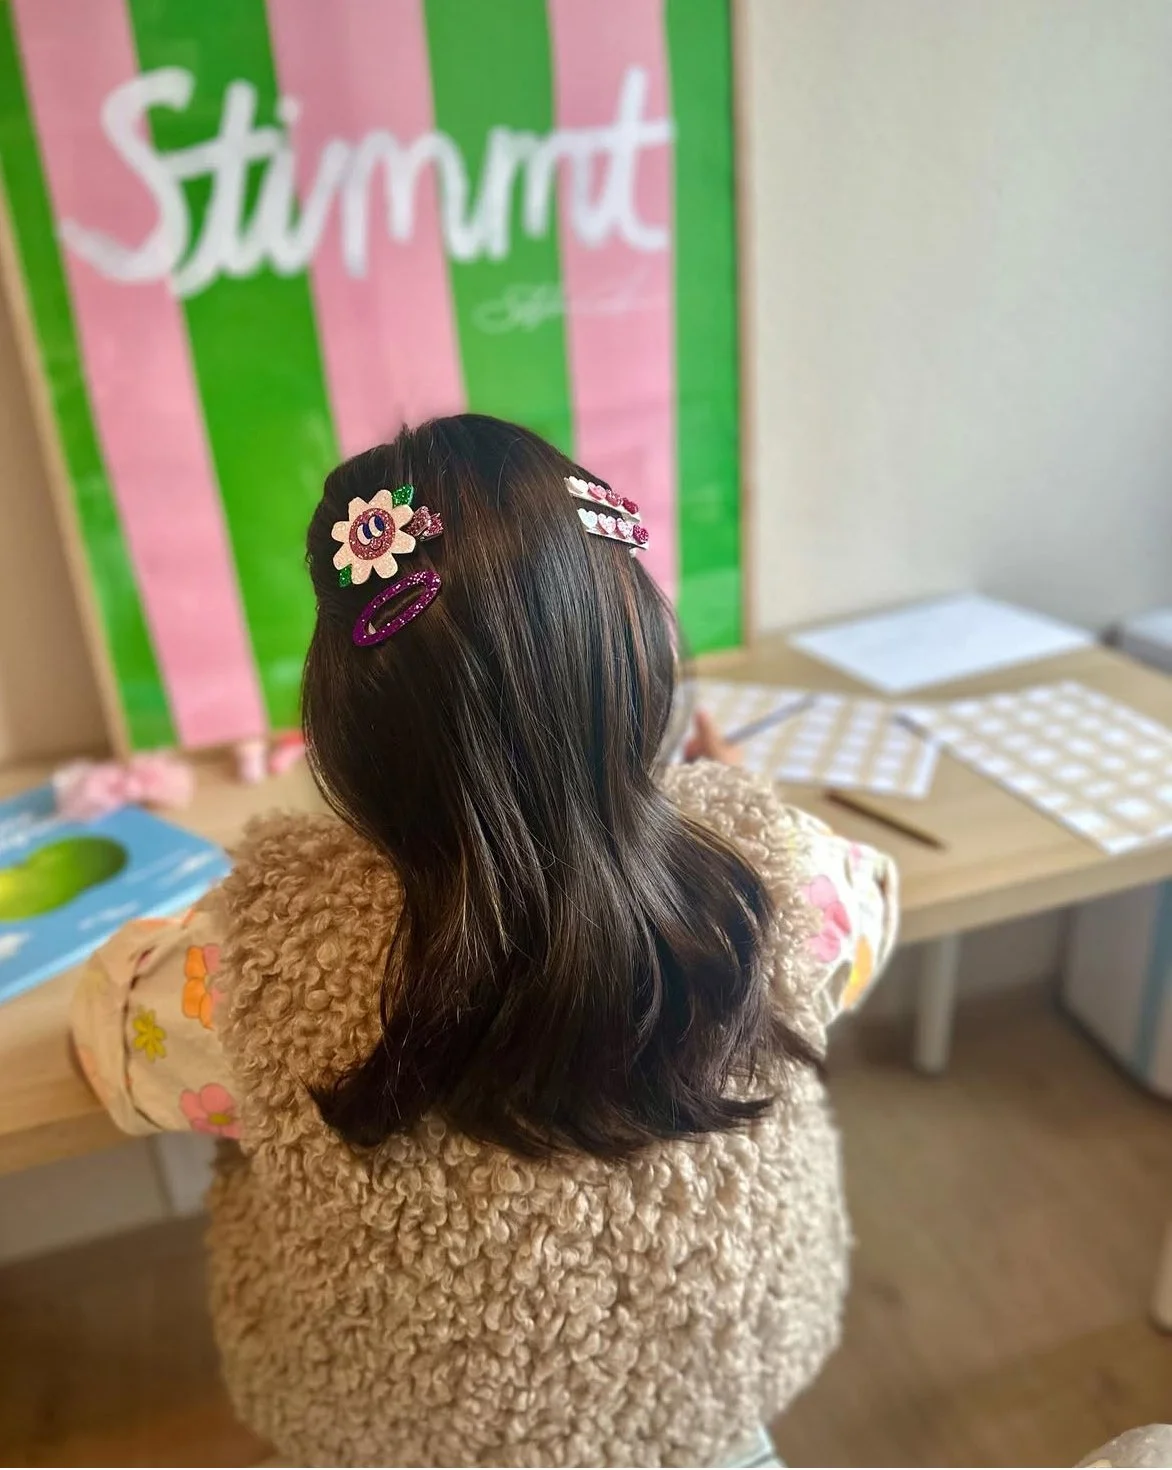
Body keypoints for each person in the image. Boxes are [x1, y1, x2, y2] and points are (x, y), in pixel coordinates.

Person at [72, 414, 898, 1468]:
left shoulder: (251, 971)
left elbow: (111, 1040)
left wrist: (197, 924)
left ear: (345, 724)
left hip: (400, 1442)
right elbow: (871, 914)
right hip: (703, 1428)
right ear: (638, 666)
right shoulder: (773, 881)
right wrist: (739, 805)